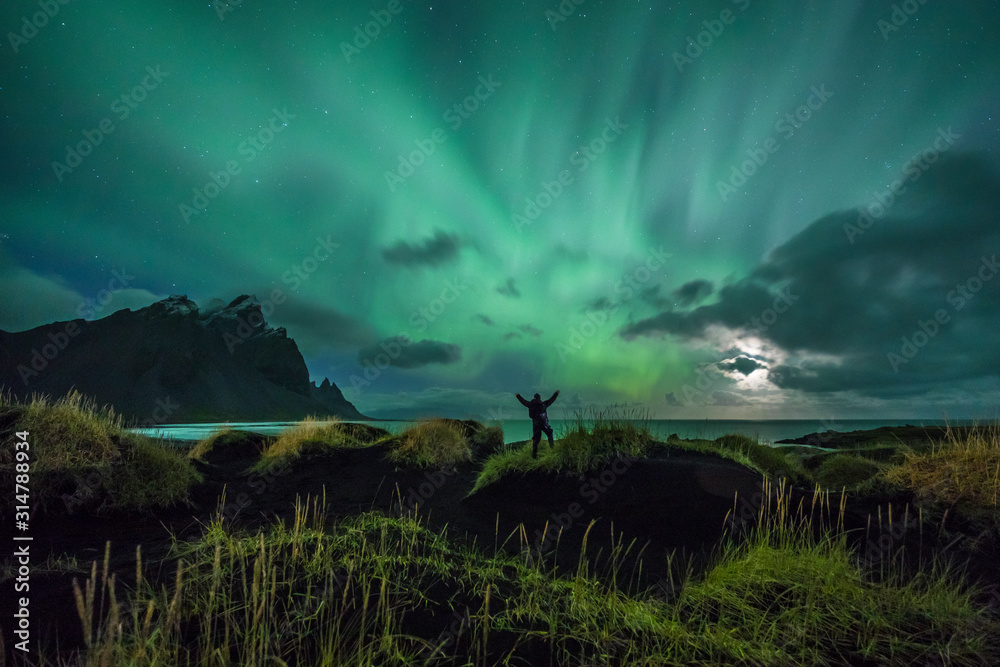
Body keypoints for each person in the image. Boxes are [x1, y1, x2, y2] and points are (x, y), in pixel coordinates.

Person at [515, 390, 559, 458]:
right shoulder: (543, 404)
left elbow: (523, 401)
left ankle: (534, 456)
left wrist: (518, 396)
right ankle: (552, 449)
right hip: (544, 423)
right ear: (539, 398)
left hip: (536, 424)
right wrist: (556, 393)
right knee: (550, 434)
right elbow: (552, 400)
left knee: (536, 440)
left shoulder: (530, 404)